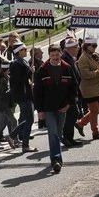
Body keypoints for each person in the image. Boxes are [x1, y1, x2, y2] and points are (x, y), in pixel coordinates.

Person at [34, 45, 76, 174]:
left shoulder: (67, 68)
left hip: (62, 107)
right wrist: (39, 110)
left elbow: (73, 88)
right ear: (49, 55)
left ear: (60, 54)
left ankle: (57, 158)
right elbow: (37, 92)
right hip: (48, 108)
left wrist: (69, 104)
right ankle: (56, 160)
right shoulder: (42, 70)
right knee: (52, 133)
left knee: (58, 133)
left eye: (57, 55)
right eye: (52, 55)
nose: (55, 58)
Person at [74, 37, 99, 140]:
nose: (94, 48)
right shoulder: (83, 59)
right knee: (94, 110)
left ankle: (80, 123)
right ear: (86, 46)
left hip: (97, 86)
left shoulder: (95, 56)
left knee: (98, 109)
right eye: (92, 46)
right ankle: (95, 132)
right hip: (88, 88)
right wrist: (98, 72)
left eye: (95, 46)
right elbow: (85, 74)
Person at [8, 42, 37, 152]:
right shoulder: (16, 63)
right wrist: (30, 72)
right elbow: (18, 80)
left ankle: (21, 140)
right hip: (22, 94)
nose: (26, 51)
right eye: (24, 49)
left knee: (28, 118)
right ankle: (17, 138)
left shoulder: (22, 61)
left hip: (26, 93)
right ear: (19, 51)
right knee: (29, 119)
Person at [0, 59, 17, 149]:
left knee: (12, 121)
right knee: (1, 123)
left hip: (5, 105)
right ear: (7, 70)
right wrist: (11, 90)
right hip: (2, 106)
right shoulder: (3, 80)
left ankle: (13, 138)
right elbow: (2, 94)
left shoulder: (5, 78)